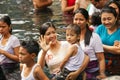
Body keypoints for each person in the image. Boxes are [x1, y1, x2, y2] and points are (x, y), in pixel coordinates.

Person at [66, 8, 106, 80]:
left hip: (90, 71)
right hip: (73, 69)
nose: (78, 22)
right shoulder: (69, 36)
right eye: (76, 19)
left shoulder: (94, 37)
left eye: (81, 19)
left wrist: (102, 74)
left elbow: (101, 59)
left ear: (87, 20)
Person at [95, 6, 120, 76]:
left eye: (109, 19)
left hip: (117, 64)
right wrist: (113, 48)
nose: (106, 22)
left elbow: (118, 51)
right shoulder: (100, 28)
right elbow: (94, 46)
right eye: (104, 19)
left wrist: (101, 46)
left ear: (116, 18)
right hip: (101, 62)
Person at [0, 16, 21, 80]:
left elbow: (19, 59)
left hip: (9, 67)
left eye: (3, 27)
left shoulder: (14, 40)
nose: (1, 29)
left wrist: (3, 52)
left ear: (9, 27)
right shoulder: (0, 38)